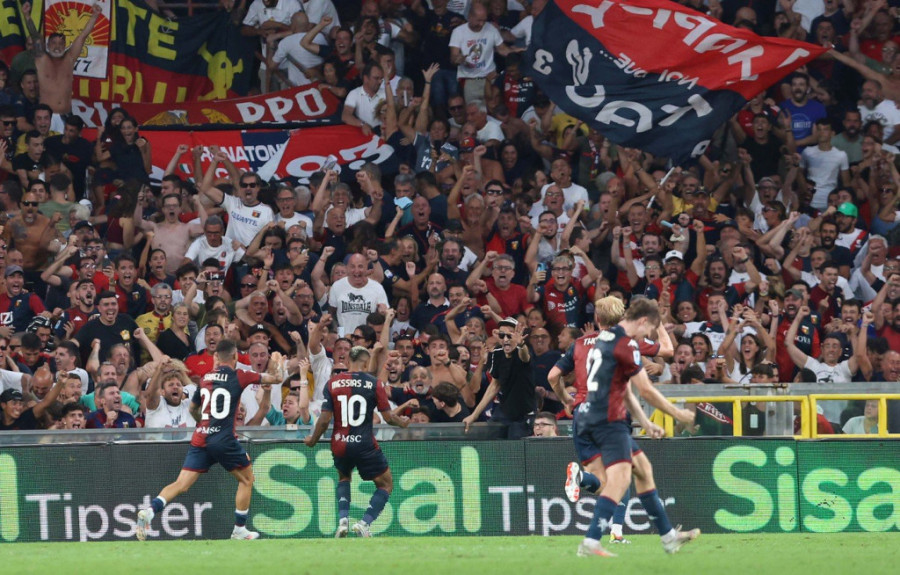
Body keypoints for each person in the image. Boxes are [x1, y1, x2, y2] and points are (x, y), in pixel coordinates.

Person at [562, 297, 698, 557]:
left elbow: (623, 390)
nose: (647, 336)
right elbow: (645, 390)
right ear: (643, 321)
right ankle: (591, 541)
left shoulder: (603, 339)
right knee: (620, 480)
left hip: (592, 415)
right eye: (650, 330)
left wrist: (645, 422)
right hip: (607, 420)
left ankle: (668, 536)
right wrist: (677, 413)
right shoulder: (627, 344)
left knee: (643, 470)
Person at [136, 341, 279, 541]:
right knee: (246, 479)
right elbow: (277, 378)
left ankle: (150, 511)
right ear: (235, 357)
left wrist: (203, 423)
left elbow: (193, 409)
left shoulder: (205, 378)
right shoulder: (240, 375)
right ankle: (239, 530)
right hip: (224, 438)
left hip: (201, 436)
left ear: (216, 357)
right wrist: (276, 363)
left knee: (181, 483)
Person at [303, 345, 409, 537]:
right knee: (385, 485)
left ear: (348, 360)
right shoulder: (375, 384)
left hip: (339, 443)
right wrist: (403, 423)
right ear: (366, 363)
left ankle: (343, 521)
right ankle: (364, 523)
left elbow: (325, 419)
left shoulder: (332, 383)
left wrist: (312, 440)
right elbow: (388, 417)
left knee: (344, 477)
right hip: (365, 444)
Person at [21, 1, 102, 118]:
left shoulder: (70, 59)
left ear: (65, 45)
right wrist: (27, 15)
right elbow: (35, 36)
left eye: (60, 43)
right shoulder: (41, 59)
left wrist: (95, 16)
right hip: (46, 117)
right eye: (53, 43)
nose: (57, 46)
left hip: (66, 115)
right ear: (47, 45)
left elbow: (83, 36)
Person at [462, 317, 535, 439]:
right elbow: (494, 385)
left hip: (523, 413)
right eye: (502, 335)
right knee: (492, 443)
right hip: (504, 411)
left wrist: (521, 344)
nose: (505, 339)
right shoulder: (497, 353)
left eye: (509, 335)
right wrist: (474, 415)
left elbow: (525, 357)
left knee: (516, 447)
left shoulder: (522, 351)